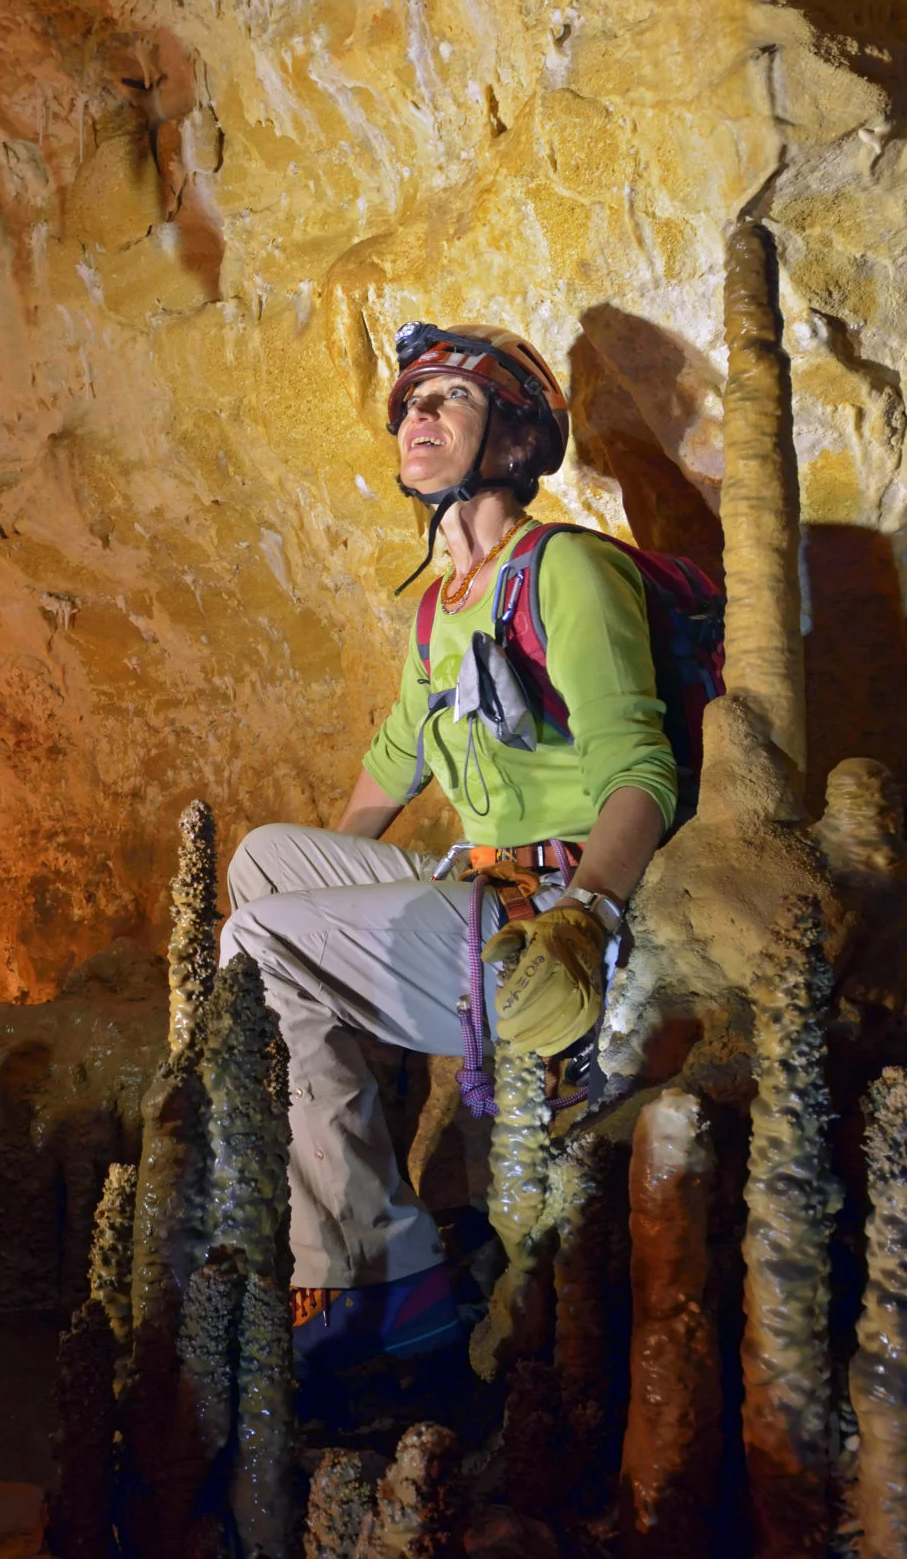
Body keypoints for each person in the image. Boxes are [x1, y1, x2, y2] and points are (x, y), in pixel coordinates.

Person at [217, 321, 677, 1384]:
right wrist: (313, 918)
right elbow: (390, 767)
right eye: (409, 402)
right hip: (470, 886)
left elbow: (640, 772)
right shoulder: (438, 608)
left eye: (448, 402)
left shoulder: (566, 572)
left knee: (263, 940)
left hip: (549, 909)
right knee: (258, 871)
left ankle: (380, 1271)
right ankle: (341, 1128)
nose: (416, 417)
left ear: (511, 442)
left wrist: (588, 915)